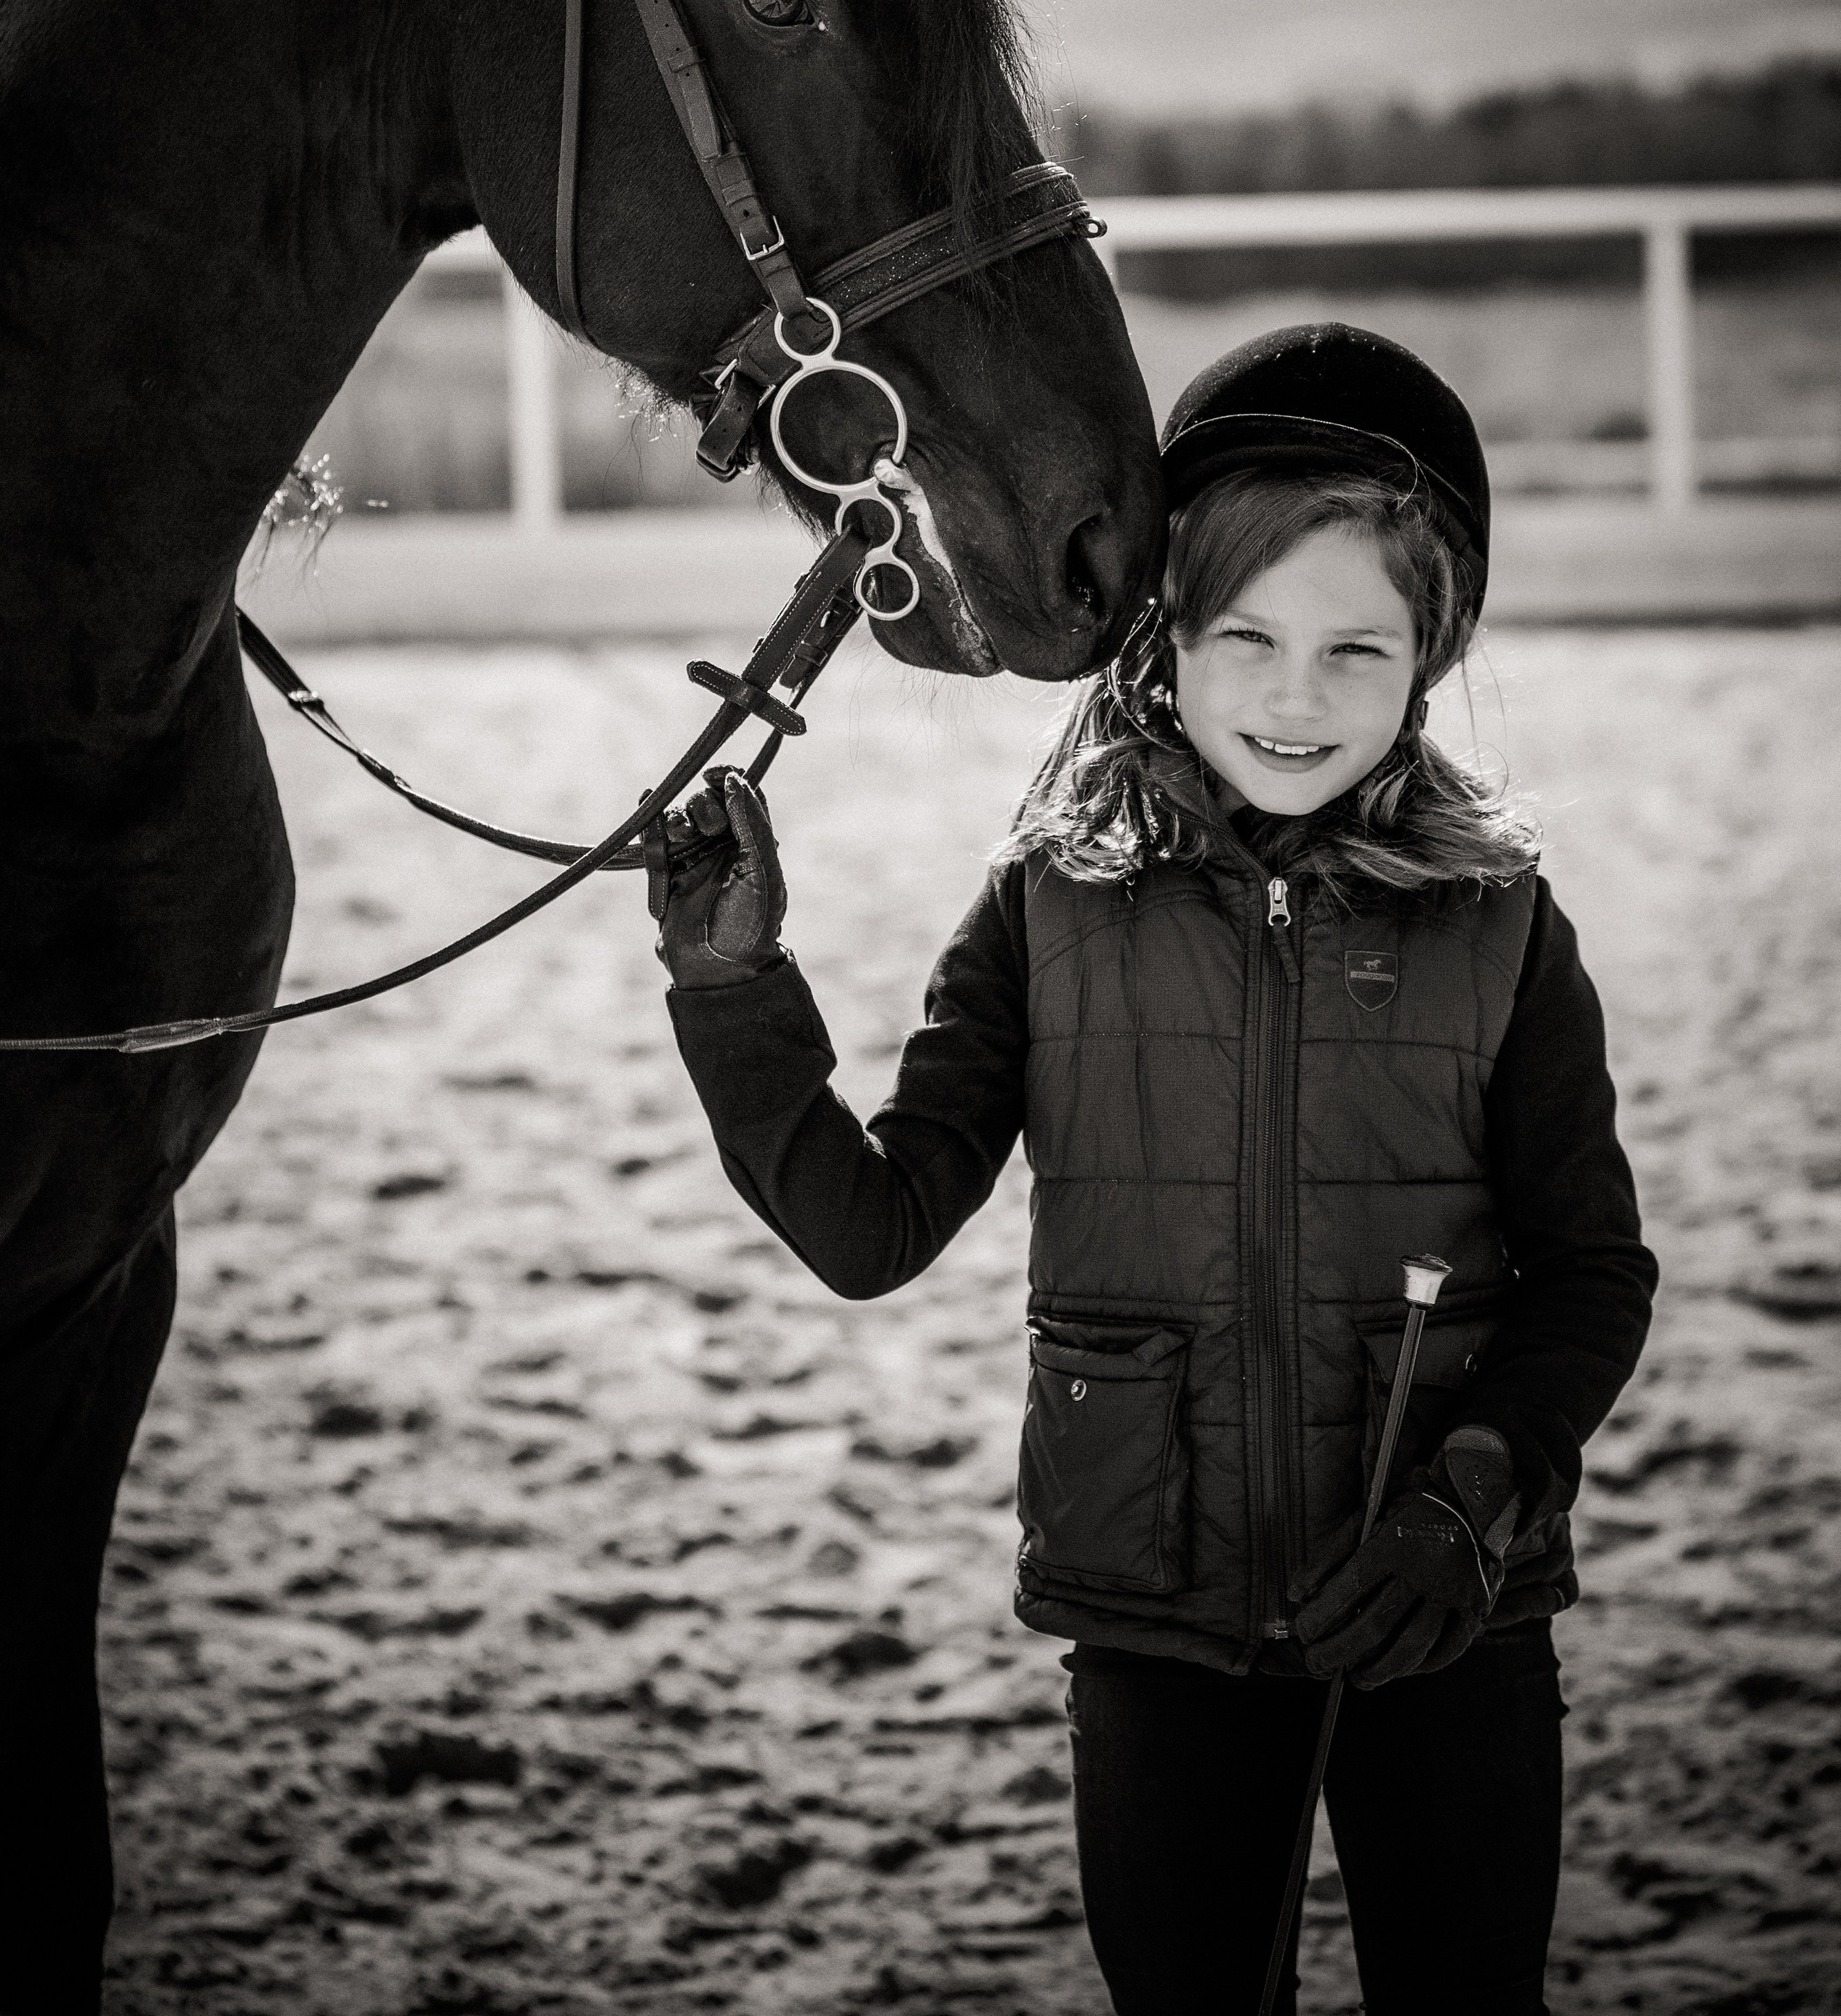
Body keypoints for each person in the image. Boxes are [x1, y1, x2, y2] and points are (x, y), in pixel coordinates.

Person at [650, 323, 1656, 2015]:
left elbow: (1591, 1274)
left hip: (1440, 1622)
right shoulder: (1046, 908)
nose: (1291, 696)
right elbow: (871, 1225)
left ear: (1432, 651)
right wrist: (733, 989)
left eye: (1356, 648)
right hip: (1156, 1629)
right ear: (1163, 639)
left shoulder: (1499, 923)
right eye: (1244, 636)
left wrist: (1471, 1502)